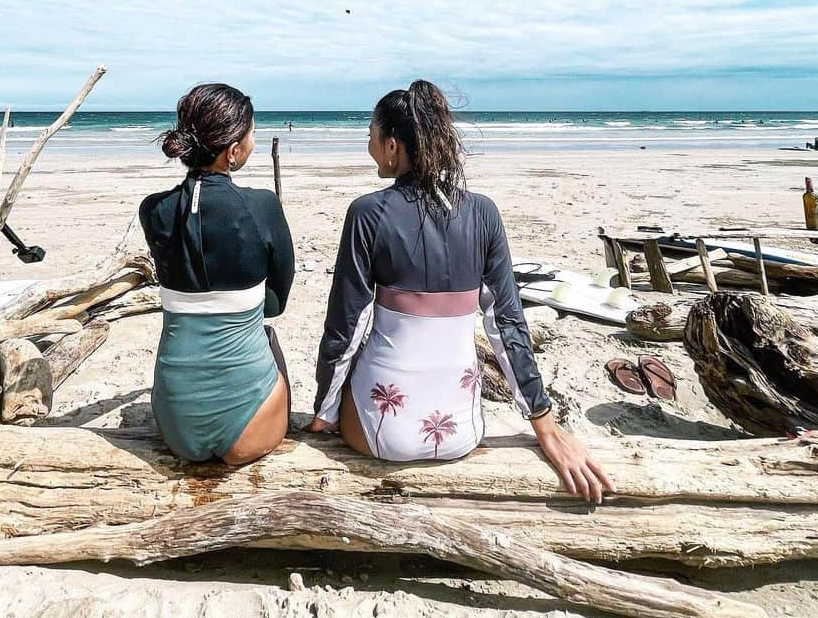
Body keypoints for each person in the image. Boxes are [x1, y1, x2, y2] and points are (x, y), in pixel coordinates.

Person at [308, 80, 613, 503]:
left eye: (372, 138)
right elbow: (507, 326)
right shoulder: (483, 213)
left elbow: (347, 326)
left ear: (393, 146)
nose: (370, 147)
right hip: (460, 433)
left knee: (359, 362)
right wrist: (544, 423)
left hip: (381, 434)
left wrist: (323, 412)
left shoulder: (367, 214)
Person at [141, 83, 295, 465]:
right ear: (234, 150)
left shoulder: (153, 210)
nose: (254, 142)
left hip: (175, 422)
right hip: (251, 427)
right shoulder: (262, 206)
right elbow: (276, 303)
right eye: (252, 134)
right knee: (267, 335)